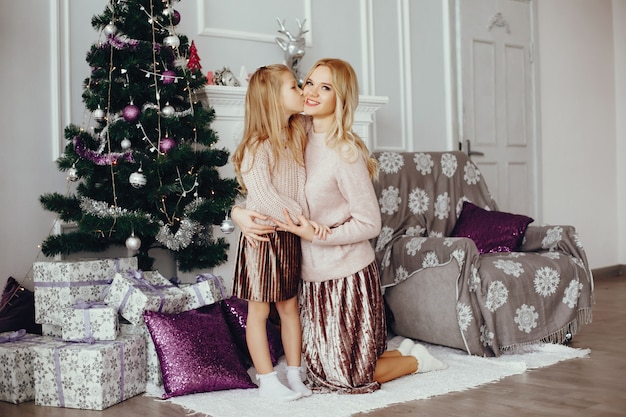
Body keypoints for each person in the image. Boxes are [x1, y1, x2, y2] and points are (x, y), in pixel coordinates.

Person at [232, 58, 446, 395]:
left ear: (340, 98)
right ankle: (388, 353)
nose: (311, 92)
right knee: (320, 375)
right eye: (309, 83)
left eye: (325, 87)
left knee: (347, 379)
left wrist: (318, 233)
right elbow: (266, 185)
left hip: (347, 276)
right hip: (309, 278)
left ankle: (414, 359)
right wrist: (239, 213)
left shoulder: (345, 153)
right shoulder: (296, 131)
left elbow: (370, 223)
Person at [231, 64, 327, 401]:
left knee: (289, 308)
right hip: (263, 236)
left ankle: (294, 374)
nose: (302, 91)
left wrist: (301, 222)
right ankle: (267, 381)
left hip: (289, 234)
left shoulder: (298, 129)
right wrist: (304, 218)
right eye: (293, 87)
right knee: (258, 310)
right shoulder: (257, 146)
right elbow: (267, 197)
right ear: (272, 100)